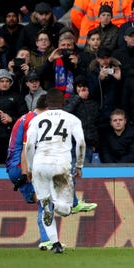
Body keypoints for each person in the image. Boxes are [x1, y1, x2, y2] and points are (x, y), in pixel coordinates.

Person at [25, 88, 86, 254]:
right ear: (63, 103)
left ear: (47, 103)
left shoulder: (36, 120)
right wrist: (79, 165)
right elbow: (80, 142)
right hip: (60, 164)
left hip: (39, 164)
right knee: (65, 209)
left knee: (45, 207)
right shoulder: (72, 119)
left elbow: (29, 145)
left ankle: (55, 243)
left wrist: (29, 168)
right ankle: (59, 207)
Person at [6, 95, 51, 250]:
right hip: (21, 167)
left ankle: (47, 239)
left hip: (13, 167)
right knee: (46, 201)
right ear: (48, 108)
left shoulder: (24, 118)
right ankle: (47, 240)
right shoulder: (34, 121)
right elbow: (27, 149)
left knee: (43, 201)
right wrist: (26, 173)